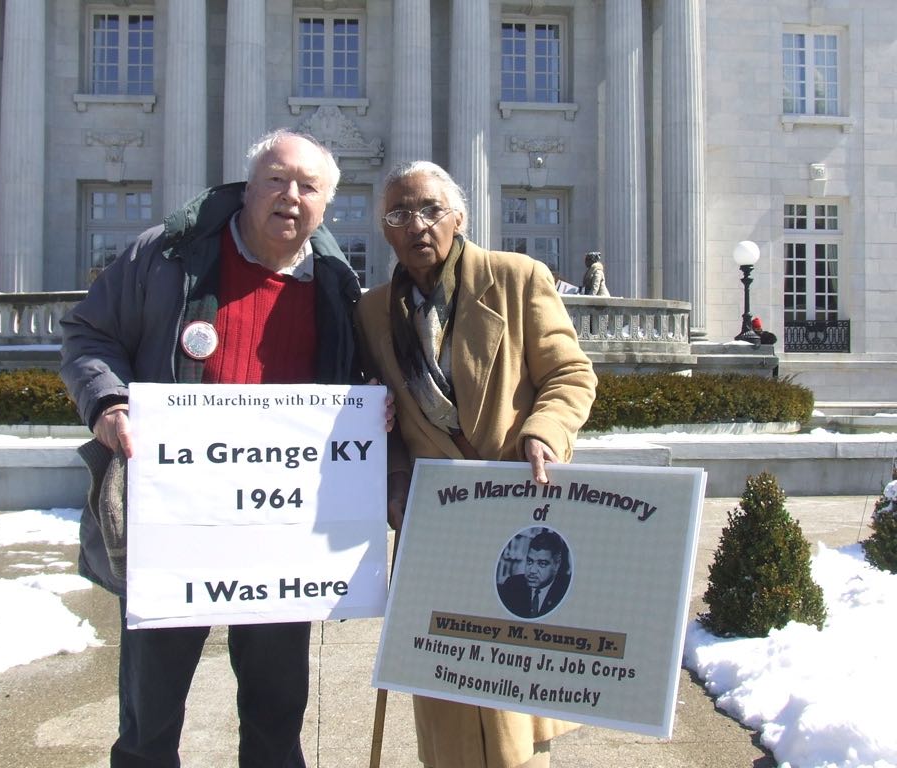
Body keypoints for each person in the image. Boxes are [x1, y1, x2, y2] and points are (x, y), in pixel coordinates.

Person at [60, 129, 364, 768]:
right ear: (247, 188)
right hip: (175, 520)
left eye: (308, 187)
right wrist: (108, 403)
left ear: (326, 205)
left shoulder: (336, 283)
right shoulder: (168, 256)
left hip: (281, 525)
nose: (290, 196)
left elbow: (351, 378)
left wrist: (373, 406)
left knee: (278, 713)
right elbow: (88, 332)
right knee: (152, 710)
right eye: (276, 179)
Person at [356, 160, 598, 768]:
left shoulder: (516, 279)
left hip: (514, 506)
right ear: (385, 230)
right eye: (399, 214)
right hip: (435, 520)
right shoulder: (373, 311)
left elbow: (570, 376)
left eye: (430, 210)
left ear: (459, 217)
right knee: (447, 701)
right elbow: (372, 413)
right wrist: (393, 478)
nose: (417, 225)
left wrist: (544, 432)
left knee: (518, 688)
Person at [498, 530, 571, 619]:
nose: (532, 570)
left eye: (542, 564)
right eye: (529, 561)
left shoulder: (565, 592)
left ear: (557, 565)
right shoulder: (512, 585)